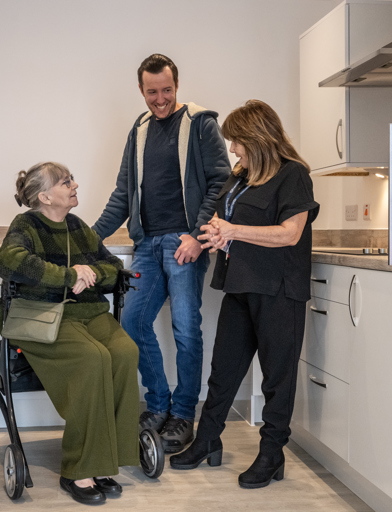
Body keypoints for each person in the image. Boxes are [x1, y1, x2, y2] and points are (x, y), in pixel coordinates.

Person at [170, 100, 320, 489]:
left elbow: (290, 233)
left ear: (257, 137)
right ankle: (207, 440)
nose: (233, 148)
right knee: (224, 371)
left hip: (278, 290)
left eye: (236, 140)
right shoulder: (240, 177)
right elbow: (222, 222)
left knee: (276, 378)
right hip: (239, 284)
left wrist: (233, 232)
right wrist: (210, 237)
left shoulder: (294, 175)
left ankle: (272, 454)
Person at [93, 54, 231, 453]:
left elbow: (220, 181)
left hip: (183, 243)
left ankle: (184, 414)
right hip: (147, 244)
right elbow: (123, 194)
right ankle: (158, 405)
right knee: (132, 323)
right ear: (141, 90)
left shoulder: (201, 124)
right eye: (152, 92)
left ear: (177, 85)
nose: (160, 99)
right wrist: (85, 237)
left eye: (167, 90)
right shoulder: (138, 130)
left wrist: (194, 235)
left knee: (186, 330)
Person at [0, 162, 140, 505]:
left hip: (89, 314)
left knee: (124, 353)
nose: (75, 185)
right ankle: (78, 468)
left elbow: (112, 266)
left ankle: (108, 461)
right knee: (93, 359)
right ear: (45, 196)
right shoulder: (26, 225)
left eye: (72, 179)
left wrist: (89, 273)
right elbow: (11, 260)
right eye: (66, 182)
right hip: (44, 317)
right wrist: (68, 275)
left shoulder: (78, 226)